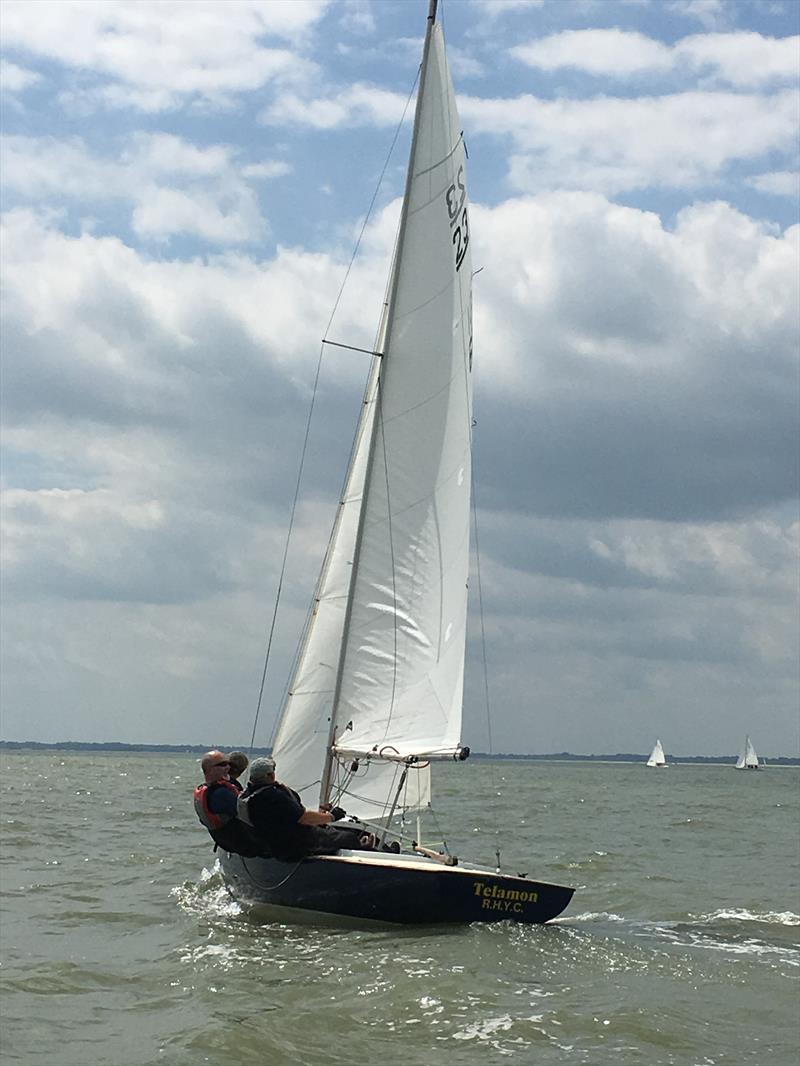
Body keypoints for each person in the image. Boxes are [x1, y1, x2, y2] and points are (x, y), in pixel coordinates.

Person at [237, 756, 378, 861]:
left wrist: (320, 816)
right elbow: (304, 818)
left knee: (337, 833)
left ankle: (367, 847)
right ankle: (368, 850)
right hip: (294, 847)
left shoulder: (246, 795)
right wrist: (332, 816)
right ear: (269, 775)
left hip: (271, 844)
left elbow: (285, 816)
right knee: (348, 837)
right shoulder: (272, 796)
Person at [193, 749, 260, 857]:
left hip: (226, 842)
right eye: (223, 765)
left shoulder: (208, 790)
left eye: (228, 764)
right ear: (209, 769)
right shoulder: (221, 794)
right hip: (246, 845)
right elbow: (253, 814)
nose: (228, 768)